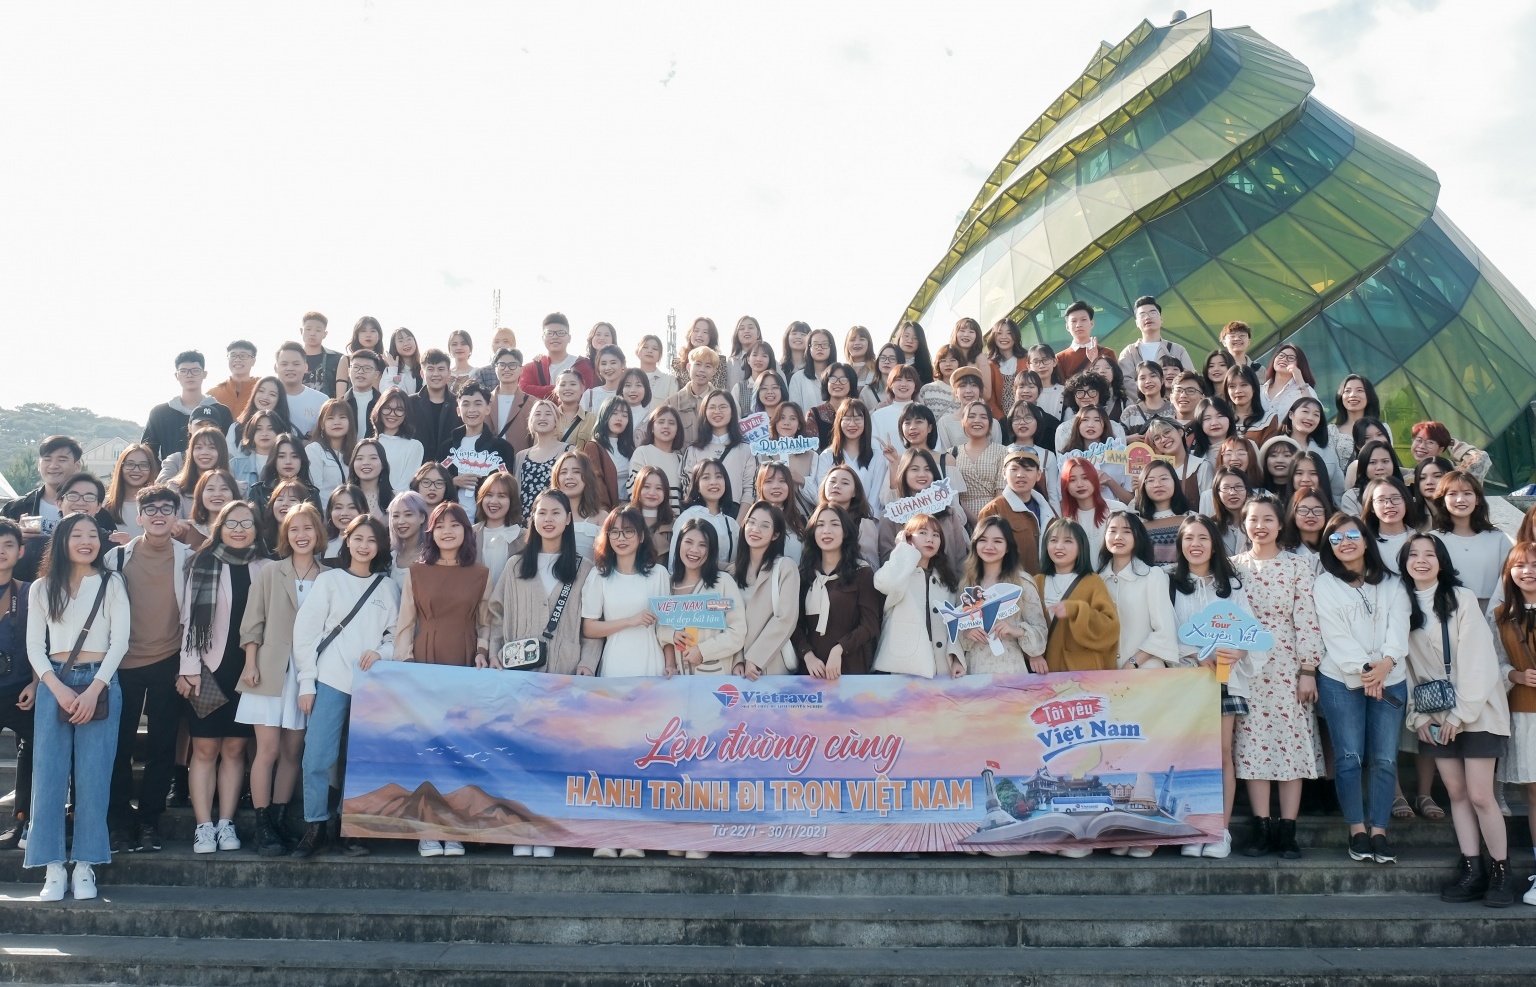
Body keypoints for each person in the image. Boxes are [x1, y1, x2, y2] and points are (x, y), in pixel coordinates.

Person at [1398, 534, 1515, 905]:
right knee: (1456, 794)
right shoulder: (1400, 604)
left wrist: (1461, 714)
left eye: (1429, 554)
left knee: (1480, 794)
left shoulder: (1459, 598)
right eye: (1413, 554)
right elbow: (1406, 667)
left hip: (1477, 711)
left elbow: (1481, 661)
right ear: (1404, 562)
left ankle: (1501, 873)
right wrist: (1417, 717)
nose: (1421, 560)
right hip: (1434, 713)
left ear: (1442, 561)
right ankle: (1472, 870)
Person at [485, 490, 598, 857]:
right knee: (520, 753)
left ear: (568, 519)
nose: (548, 519)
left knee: (556, 754)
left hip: (565, 674)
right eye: (541, 512)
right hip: (520, 676)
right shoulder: (517, 565)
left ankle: (547, 830)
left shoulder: (584, 568)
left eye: (555, 513)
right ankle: (521, 829)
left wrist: (587, 662)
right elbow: (495, 616)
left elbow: (592, 624)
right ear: (532, 518)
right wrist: (494, 652)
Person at [24, 512, 130, 900]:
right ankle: (52, 866)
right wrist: (57, 688)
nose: (86, 542)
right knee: (48, 777)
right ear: (62, 541)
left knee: (93, 777)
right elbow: (34, 646)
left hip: (100, 681)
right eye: (77, 535)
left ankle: (85, 864)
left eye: (93, 536)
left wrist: (93, 690)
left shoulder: (111, 582)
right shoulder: (41, 587)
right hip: (55, 682)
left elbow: (120, 641)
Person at [290, 515, 400, 859]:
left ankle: (349, 826)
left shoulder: (387, 587)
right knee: (316, 756)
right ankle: (315, 826)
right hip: (330, 679)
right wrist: (306, 682)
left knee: (361, 759)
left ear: (380, 546)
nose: (364, 545)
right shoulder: (329, 581)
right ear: (347, 540)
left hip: (371, 685)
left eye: (372, 540)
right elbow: (305, 634)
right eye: (358, 538)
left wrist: (382, 652)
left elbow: (397, 636)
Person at [97, 485, 192, 855]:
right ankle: (119, 823)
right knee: (119, 747)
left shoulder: (189, 558)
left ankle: (150, 820)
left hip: (169, 661)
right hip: (123, 664)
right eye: (150, 509)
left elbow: (195, 618)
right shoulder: (117, 557)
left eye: (166, 508)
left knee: (162, 746)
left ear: (176, 515)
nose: (158, 515)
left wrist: (189, 666)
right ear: (138, 517)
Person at [1314, 513, 1411, 865]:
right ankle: (1357, 829)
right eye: (1336, 539)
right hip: (1341, 680)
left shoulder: (1393, 583)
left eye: (1352, 536)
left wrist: (1386, 664)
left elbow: (1399, 627)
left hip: (1390, 677)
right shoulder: (1325, 585)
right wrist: (1366, 672)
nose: (1345, 543)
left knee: (1385, 758)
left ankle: (1379, 831)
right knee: (1349, 757)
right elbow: (1335, 636)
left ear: (1366, 540)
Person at [1232, 494, 1324, 860]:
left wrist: (1308, 670)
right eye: (1253, 519)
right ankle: (1261, 826)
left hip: (1286, 664)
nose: (1260, 526)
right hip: (1245, 667)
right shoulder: (1233, 567)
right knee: (1252, 744)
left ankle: (1288, 830)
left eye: (1268, 519)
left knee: (1291, 744)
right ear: (1244, 524)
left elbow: (1307, 620)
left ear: (1280, 524)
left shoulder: (1298, 565)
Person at [175, 501, 267, 854]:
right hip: (209, 669)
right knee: (205, 748)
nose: (239, 529)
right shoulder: (202, 562)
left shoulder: (266, 567)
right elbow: (188, 620)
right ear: (219, 527)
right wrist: (188, 668)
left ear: (257, 528)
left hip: (251, 671)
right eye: (231, 523)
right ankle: (203, 826)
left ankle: (226, 823)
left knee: (235, 748)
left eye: (246, 523)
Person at [236, 502, 324, 856]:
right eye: (294, 529)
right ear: (285, 535)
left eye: (308, 528)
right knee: (268, 749)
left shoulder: (330, 576)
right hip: (270, 669)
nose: (301, 535)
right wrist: (250, 663)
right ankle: (262, 825)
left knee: (293, 751)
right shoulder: (270, 572)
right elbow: (252, 622)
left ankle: (280, 817)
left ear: (318, 533)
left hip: (308, 674)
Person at [1168, 515, 1257, 859]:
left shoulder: (1232, 586)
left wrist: (1239, 650)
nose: (1195, 544)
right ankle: (1194, 827)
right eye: (1188, 538)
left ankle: (1220, 830)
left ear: (1214, 544)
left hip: (1223, 679)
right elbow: (1164, 630)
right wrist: (1194, 652)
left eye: (1203, 538)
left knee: (1220, 754)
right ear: (1180, 545)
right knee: (1190, 756)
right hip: (1186, 680)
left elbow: (1249, 632)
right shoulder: (1169, 583)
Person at [1488, 543, 1536, 905]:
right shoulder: (1501, 615)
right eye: (1520, 565)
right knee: (1534, 793)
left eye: (1535, 564)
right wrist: (1514, 676)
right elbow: (1492, 661)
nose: (1528, 570)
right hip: (1523, 712)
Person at [793, 505, 882, 682]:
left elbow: (870, 624)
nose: (826, 530)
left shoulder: (862, 573)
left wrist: (840, 649)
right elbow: (793, 624)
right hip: (812, 670)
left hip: (851, 668)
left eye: (834, 524)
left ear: (846, 532)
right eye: (820, 525)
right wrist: (807, 655)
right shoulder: (804, 575)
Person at [581, 507, 671, 681]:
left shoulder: (659, 574)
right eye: (614, 532)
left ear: (641, 536)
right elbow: (589, 628)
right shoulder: (599, 575)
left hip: (653, 664)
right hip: (615, 665)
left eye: (628, 531)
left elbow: (667, 625)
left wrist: (670, 664)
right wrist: (630, 621)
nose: (621, 538)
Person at [955, 517, 1048, 676]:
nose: (989, 546)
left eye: (997, 541)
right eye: (983, 540)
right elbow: (955, 632)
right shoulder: (967, 585)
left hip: (1011, 670)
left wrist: (1015, 630)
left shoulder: (1022, 583)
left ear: (1007, 548)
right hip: (975, 671)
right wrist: (967, 634)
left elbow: (1040, 630)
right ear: (975, 544)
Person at [872, 514, 963, 679]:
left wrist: (956, 658)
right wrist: (902, 549)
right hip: (902, 666)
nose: (930, 539)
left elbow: (953, 624)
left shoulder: (946, 581)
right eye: (922, 533)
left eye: (936, 535)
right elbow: (884, 583)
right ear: (908, 537)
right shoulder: (900, 573)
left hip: (941, 667)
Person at [1035, 518, 1118, 673]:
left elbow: (1110, 627)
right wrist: (1032, 655)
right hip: (1043, 673)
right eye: (1053, 540)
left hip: (1082, 672)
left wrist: (1076, 610)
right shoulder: (1036, 582)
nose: (1059, 546)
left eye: (1068, 541)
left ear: (1081, 547)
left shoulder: (1093, 581)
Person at [733, 502, 801, 678]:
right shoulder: (732, 572)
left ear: (775, 535)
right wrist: (738, 660)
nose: (755, 529)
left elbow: (786, 619)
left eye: (765, 526)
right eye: (751, 522)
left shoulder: (786, 567)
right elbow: (729, 621)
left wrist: (755, 658)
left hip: (772, 665)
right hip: (738, 670)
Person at [1427, 471, 1512, 609]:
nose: (1460, 499)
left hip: (1492, 608)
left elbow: (1508, 579)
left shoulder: (1498, 538)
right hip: (1448, 608)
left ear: (1477, 499)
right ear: (1442, 500)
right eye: (1452, 494)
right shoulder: (1432, 539)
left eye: (1467, 493)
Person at [876, 448, 968, 573]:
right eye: (914, 469)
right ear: (904, 473)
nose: (922, 474)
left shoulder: (949, 513)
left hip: (946, 582)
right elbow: (887, 561)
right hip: (907, 583)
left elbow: (960, 558)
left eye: (927, 469)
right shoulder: (891, 516)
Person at [0, 520, 34, 851]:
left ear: (21, 551)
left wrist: (37, 683)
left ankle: (22, 823)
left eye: (8, 544)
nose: (1, 551)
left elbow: (43, 644)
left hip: (23, 690)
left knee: (34, 752)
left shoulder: (29, 592)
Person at [440, 382, 518, 524]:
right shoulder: (447, 447)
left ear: (488, 409)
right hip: (451, 521)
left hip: (487, 522)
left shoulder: (502, 448)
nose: (472, 410)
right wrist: (453, 482)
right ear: (458, 410)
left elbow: (508, 487)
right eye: (466, 404)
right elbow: (435, 483)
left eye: (478, 404)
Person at [141, 350, 235, 462]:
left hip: (212, 472)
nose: (189, 375)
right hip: (170, 471)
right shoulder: (159, 413)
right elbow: (148, 451)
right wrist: (164, 471)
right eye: (183, 371)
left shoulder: (221, 411)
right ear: (176, 375)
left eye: (195, 370)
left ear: (204, 374)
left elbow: (229, 450)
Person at [979, 449, 1055, 575]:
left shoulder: (1048, 510)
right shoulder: (993, 510)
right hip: (1009, 582)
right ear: (1004, 473)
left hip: (1044, 582)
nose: (1020, 475)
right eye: (1014, 469)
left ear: (1038, 475)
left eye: (1028, 470)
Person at [681, 390, 758, 508]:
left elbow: (750, 490)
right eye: (712, 407)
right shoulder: (693, 450)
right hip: (700, 516)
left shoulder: (747, 449)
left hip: (736, 515)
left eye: (723, 407)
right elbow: (688, 490)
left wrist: (738, 520)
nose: (717, 411)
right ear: (704, 412)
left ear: (732, 412)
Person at [514, 399, 573, 523]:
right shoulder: (521, 456)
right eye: (537, 414)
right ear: (531, 421)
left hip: (555, 521)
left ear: (556, 420)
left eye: (548, 414)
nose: (542, 418)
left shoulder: (568, 451)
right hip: (525, 523)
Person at [675, 459, 742, 567]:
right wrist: (723, 567)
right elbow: (674, 563)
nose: (713, 482)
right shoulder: (687, 518)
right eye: (706, 477)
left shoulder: (732, 524)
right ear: (697, 485)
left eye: (718, 476)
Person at [519, 313, 597, 399]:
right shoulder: (532, 367)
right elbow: (523, 389)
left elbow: (586, 395)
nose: (555, 337)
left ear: (569, 338)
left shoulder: (582, 365)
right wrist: (558, 388)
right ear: (543, 338)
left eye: (561, 333)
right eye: (549, 333)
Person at [1060, 459, 1124, 559]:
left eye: (1085, 478)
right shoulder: (1064, 519)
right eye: (1072, 480)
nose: (1080, 484)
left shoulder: (1117, 510)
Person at [405, 349, 463, 460]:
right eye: (430, 369)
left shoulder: (459, 404)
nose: (436, 374)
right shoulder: (409, 403)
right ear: (422, 373)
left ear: (449, 373)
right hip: (417, 466)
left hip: (451, 467)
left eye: (441, 369)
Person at [1132, 459, 1190, 565]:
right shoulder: (1136, 522)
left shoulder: (1191, 518)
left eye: (1164, 478)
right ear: (1143, 486)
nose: (1157, 484)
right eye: (1150, 480)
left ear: (1175, 482)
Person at [630, 405, 687, 515]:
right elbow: (634, 491)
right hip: (645, 519)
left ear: (677, 430)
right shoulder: (642, 453)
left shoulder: (680, 460)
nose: (666, 426)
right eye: (660, 422)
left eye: (671, 423)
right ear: (652, 427)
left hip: (674, 521)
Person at [472, 473, 525, 589]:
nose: (493, 501)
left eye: (501, 496)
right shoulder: (469, 534)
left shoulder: (523, 537)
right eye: (489, 495)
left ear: (512, 501)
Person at [101, 444, 161, 545]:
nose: (136, 470)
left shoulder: (161, 506)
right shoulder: (104, 504)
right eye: (130, 464)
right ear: (120, 467)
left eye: (143, 465)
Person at [305, 400, 357, 508]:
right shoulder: (314, 450)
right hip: (325, 513)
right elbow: (316, 490)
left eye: (342, 417)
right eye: (330, 418)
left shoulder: (356, 452)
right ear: (322, 424)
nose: (336, 422)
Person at [370, 389, 424, 492]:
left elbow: (406, 485)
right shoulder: (368, 445)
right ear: (379, 410)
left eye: (399, 409)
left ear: (406, 414)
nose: (392, 414)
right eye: (387, 408)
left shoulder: (414, 446)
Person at [486, 348, 536, 456]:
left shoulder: (532, 403)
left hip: (520, 459)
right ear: (495, 369)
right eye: (502, 365)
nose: (507, 369)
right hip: (489, 460)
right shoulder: (484, 401)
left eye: (512, 365)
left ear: (521, 369)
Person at [274, 341, 329, 438]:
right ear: (275, 368)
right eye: (284, 364)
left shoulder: (322, 400)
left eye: (296, 364)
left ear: (305, 367)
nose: (290, 368)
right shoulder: (268, 399)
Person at [1411, 421, 1491, 483]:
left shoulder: (1450, 474)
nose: (1421, 446)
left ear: (1440, 449)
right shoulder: (1410, 474)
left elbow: (1482, 459)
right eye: (1418, 440)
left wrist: (1456, 445)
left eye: (1430, 442)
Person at [631, 466, 678, 562]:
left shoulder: (674, 526)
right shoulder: (625, 521)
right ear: (637, 488)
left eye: (659, 488)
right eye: (646, 487)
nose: (652, 493)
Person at [1054, 300, 1103, 383]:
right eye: (1074, 321)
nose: (1078, 325)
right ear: (1067, 327)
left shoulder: (1107, 353)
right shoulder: (1060, 358)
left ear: (1091, 324)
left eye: (1083, 319)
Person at [208, 340, 258, 419]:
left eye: (243, 356)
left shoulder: (261, 389)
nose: (237, 359)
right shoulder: (213, 394)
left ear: (253, 361)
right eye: (233, 355)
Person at [297, 311, 343, 397]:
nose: (312, 333)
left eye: (318, 330)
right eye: (308, 329)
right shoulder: (292, 358)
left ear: (325, 334)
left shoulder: (337, 359)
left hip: (327, 404)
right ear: (301, 331)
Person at [343, 349, 385, 438]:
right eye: (356, 367)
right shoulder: (340, 404)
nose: (360, 371)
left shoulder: (383, 403)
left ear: (376, 374)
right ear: (349, 372)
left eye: (367, 368)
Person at [387, 491, 429, 572]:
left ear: (422, 518)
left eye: (408, 515)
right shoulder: (390, 558)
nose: (400, 521)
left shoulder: (432, 556)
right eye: (396, 516)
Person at [636, 334, 677, 406]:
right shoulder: (628, 378)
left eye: (655, 349)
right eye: (645, 347)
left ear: (660, 356)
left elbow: (674, 407)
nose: (649, 351)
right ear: (638, 352)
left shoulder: (669, 381)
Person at [890, 319, 933, 385]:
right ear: (899, 338)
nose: (910, 341)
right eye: (906, 336)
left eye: (915, 338)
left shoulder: (925, 368)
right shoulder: (889, 362)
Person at [383, 327, 423, 395]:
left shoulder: (423, 368)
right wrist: (393, 369)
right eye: (400, 341)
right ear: (394, 346)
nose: (406, 344)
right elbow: (391, 394)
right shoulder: (389, 370)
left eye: (409, 339)